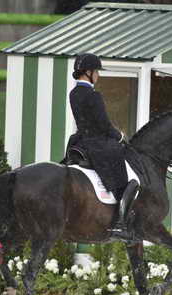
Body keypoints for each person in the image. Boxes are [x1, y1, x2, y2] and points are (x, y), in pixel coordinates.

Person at [62, 53, 139, 241]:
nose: (98, 75)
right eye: (96, 71)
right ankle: (121, 223)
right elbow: (104, 124)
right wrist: (120, 136)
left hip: (81, 141)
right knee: (130, 180)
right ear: (88, 72)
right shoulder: (93, 95)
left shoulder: (74, 94)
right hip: (98, 143)